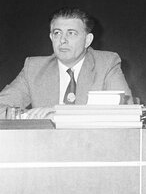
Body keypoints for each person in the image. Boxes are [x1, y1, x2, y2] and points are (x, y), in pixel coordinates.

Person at [0, 7, 132, 119]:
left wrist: (61, 114)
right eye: (57, 33)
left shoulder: (106, 64)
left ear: (87, 40)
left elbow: (126, 111)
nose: (63, 40)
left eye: (71, 33)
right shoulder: (34, 68)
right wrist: (30, 115)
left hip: (93, 144)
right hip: (44, 145)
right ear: (51, 37)